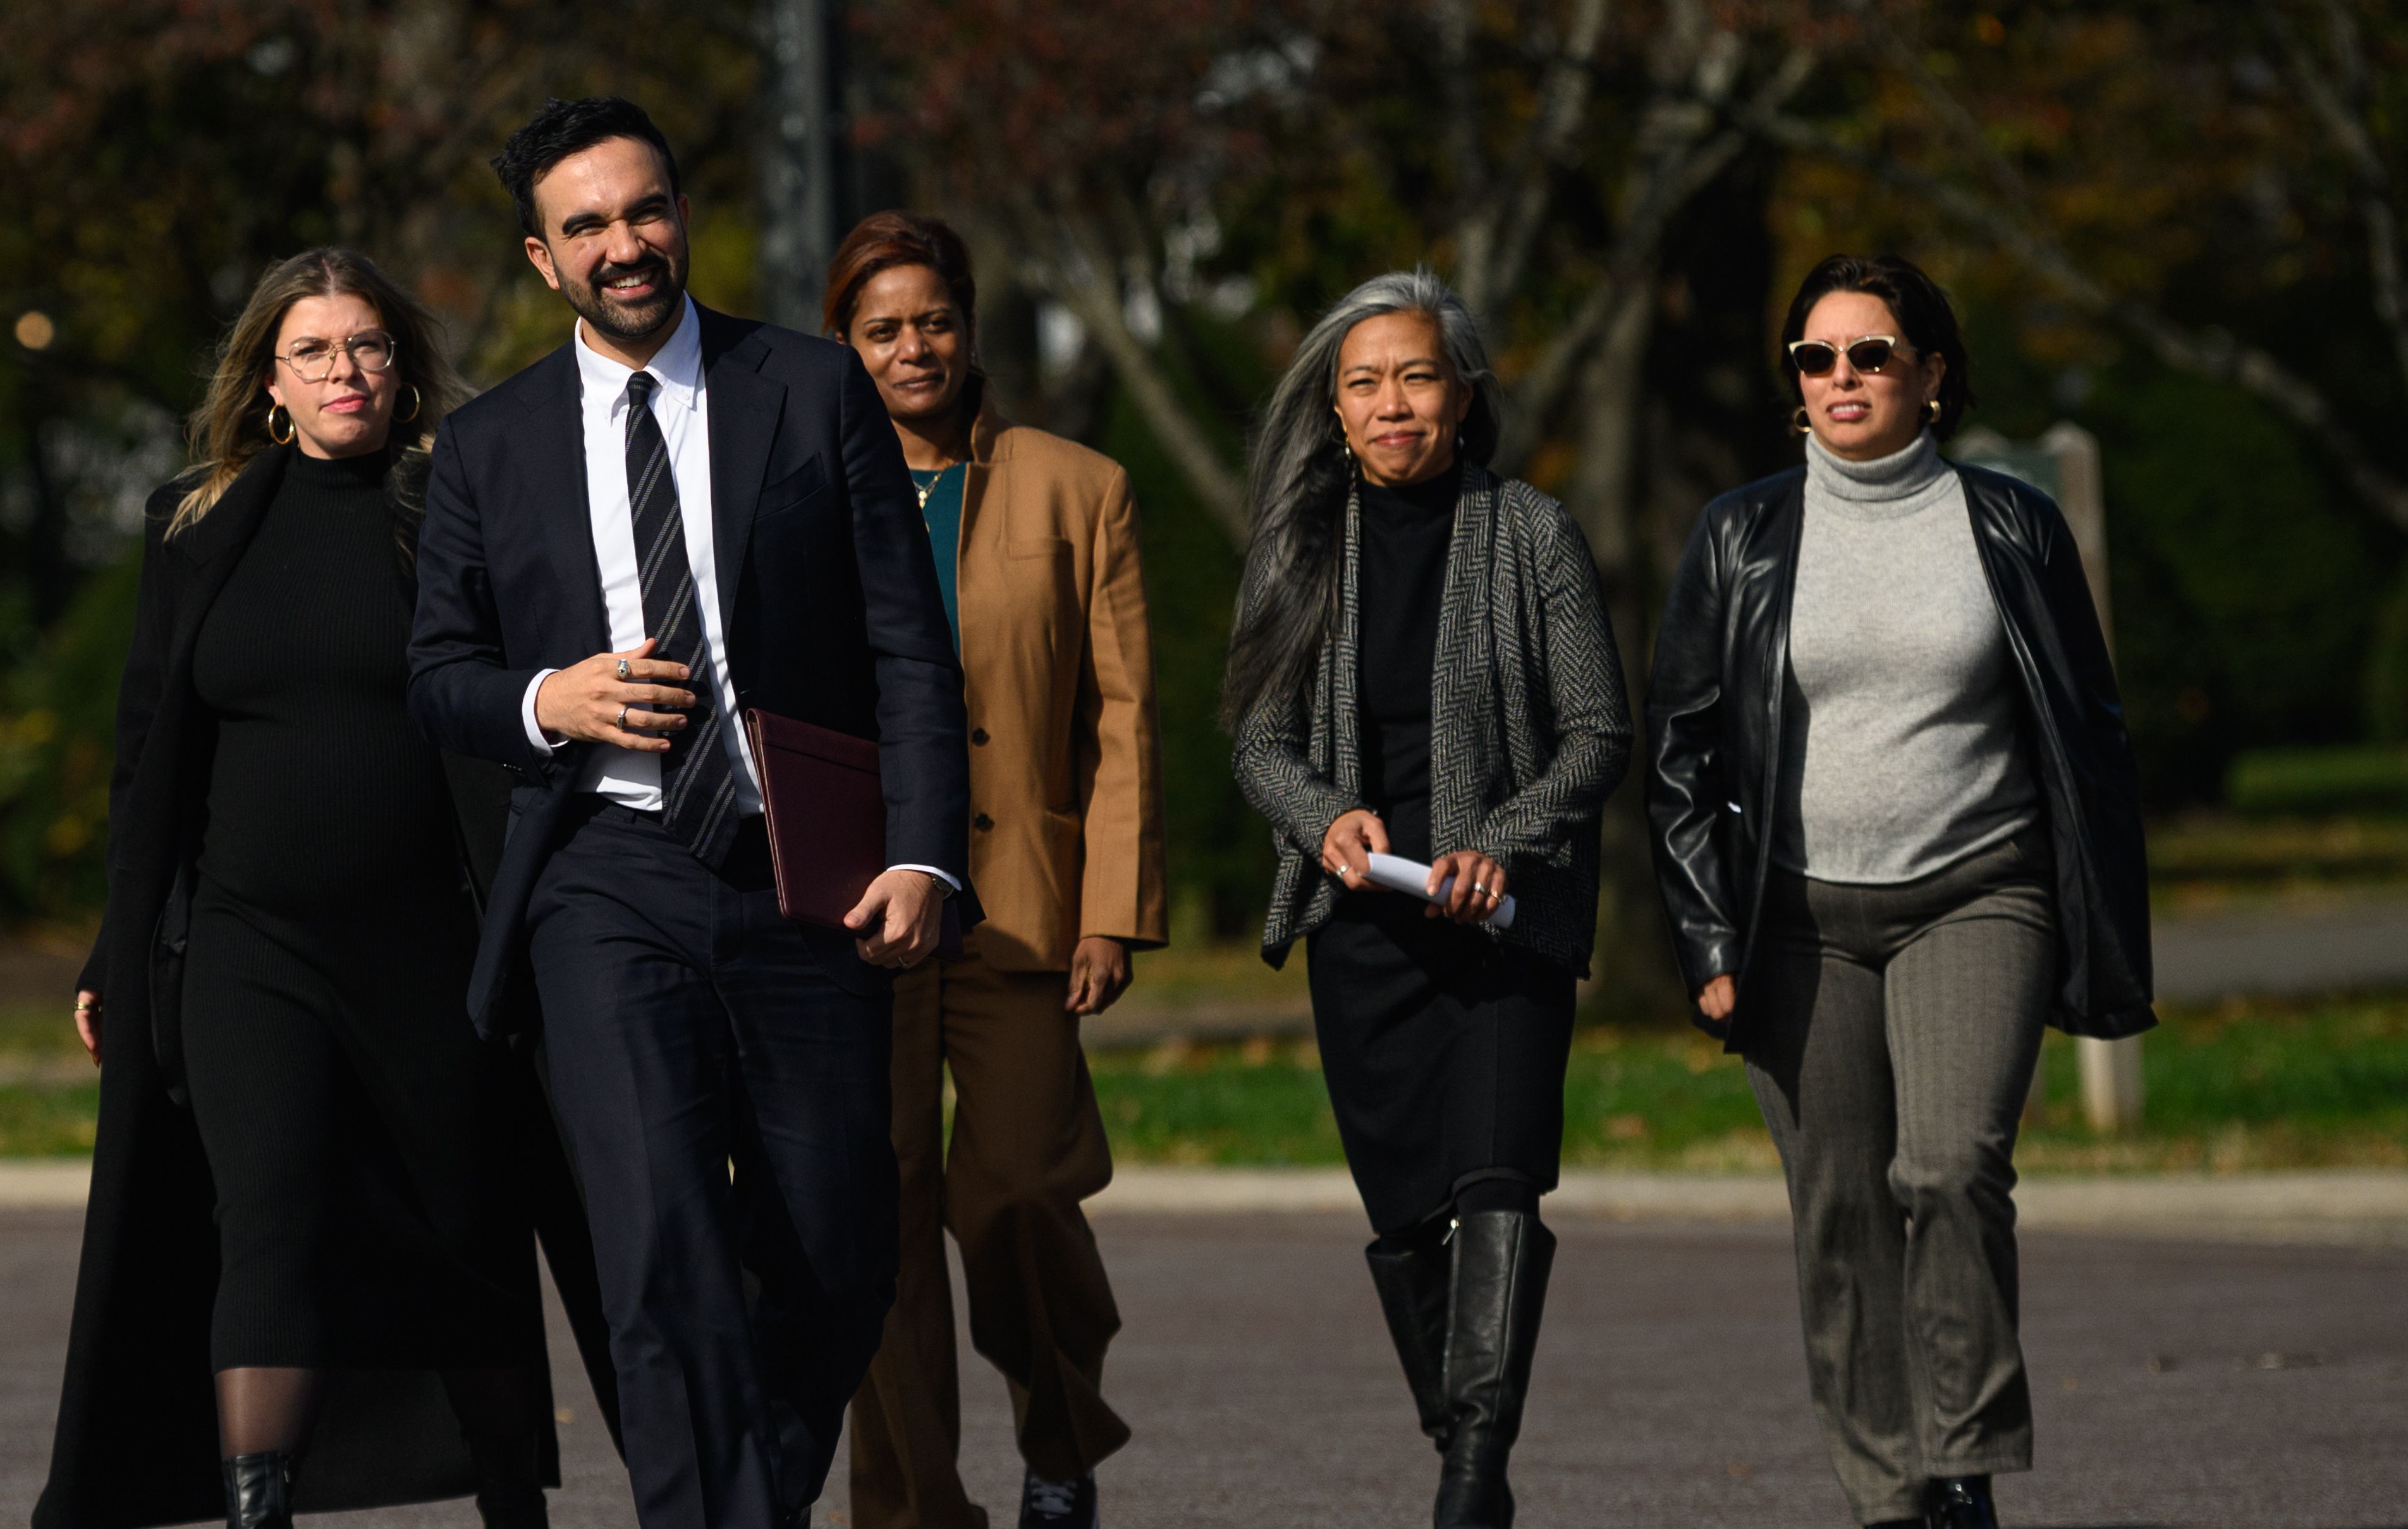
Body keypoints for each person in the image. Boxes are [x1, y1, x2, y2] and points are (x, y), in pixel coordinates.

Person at [405, 99, 980, 1529]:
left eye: (642, 209)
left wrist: (921, 850)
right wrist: (556, 698)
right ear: (542, 261)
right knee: (657, 1249)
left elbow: (906, 640)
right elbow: (437, 679)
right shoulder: (489, 447)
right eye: (585, 226)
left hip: (807, 877)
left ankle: (742, 1506)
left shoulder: (810, 386)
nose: (624, 244)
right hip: (604, 879)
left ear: (682, 212)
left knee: (845, 1247)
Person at [38, 248, 617, 1529]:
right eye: (313, 352)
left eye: (366, 347)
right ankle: (261, 1509)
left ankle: (512, 1502)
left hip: (434, 952)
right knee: (271, 1224)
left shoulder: (455, 509)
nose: (344, 371)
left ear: (400, 368)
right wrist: (113, 947)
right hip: (252, 949)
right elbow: (151, 763)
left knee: (464, 1234)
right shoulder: (191, 524)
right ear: (267, 382)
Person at [1642, 254, 2153, 1529]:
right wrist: (1708, 936)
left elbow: (2087, 734)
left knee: (1944, 1167)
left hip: (1976, 891)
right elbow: (1679, 753)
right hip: (1796, 917)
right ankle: (1888, 1496)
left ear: (1929, 374)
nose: (1839, 378)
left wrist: (2100, 927)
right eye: (1813, 359)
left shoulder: (2008, 524)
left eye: (1868, 354)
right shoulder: (1740, 533)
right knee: (1836, 1212)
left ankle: (1963, 1459)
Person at [1224, 269, 1630, 1528]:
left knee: (1497, 1178)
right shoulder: (1297, 541)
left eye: (1414, 376)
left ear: (1462, 395)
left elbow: (1593, 735)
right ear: (1332, 409)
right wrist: (1317, 816)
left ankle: (1469, 1480)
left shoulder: (1530, 532)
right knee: (1407, 1220)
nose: (1390, 403)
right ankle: (1463, 1440)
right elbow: (1254, 740)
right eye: (1362, 383)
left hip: (1502, 926)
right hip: (1364, 927)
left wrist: (1498, 845)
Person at [822, 212, 1166, 1529]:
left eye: (933, 320)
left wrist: (1113, 909)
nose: (913, 348)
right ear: (844, 347)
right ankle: (909, 1509)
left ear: (967, 326)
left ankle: (1060, 1434)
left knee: (1018, 1189)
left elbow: (1124, 714)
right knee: (878, 1217)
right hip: (857, 914)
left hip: (1024, 905)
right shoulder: (801, 486)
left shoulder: (1076, 485)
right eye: (881, 329)